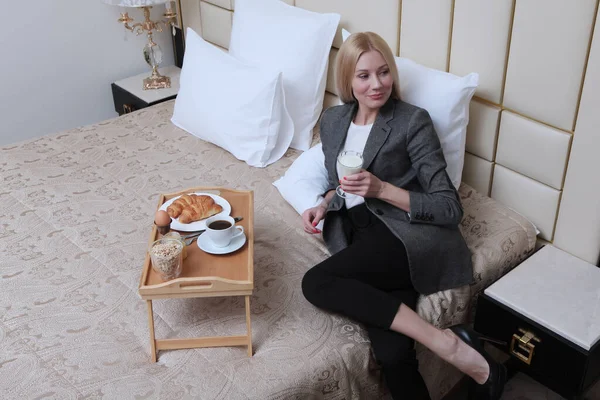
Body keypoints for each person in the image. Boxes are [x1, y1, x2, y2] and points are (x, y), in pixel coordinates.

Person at [301, 32, 506, 400]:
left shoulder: (412, 121)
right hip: (362, 236)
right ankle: (485, 369)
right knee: (393, 355)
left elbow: (449, 206)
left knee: (316, 282)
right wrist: (325, 202)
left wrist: (381, 189)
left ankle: (447, 345)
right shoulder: (333, 121)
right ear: (347, 78)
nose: (376, 84)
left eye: (384, 72)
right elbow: (341, 184)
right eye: (364, 75)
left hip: (405, 234)